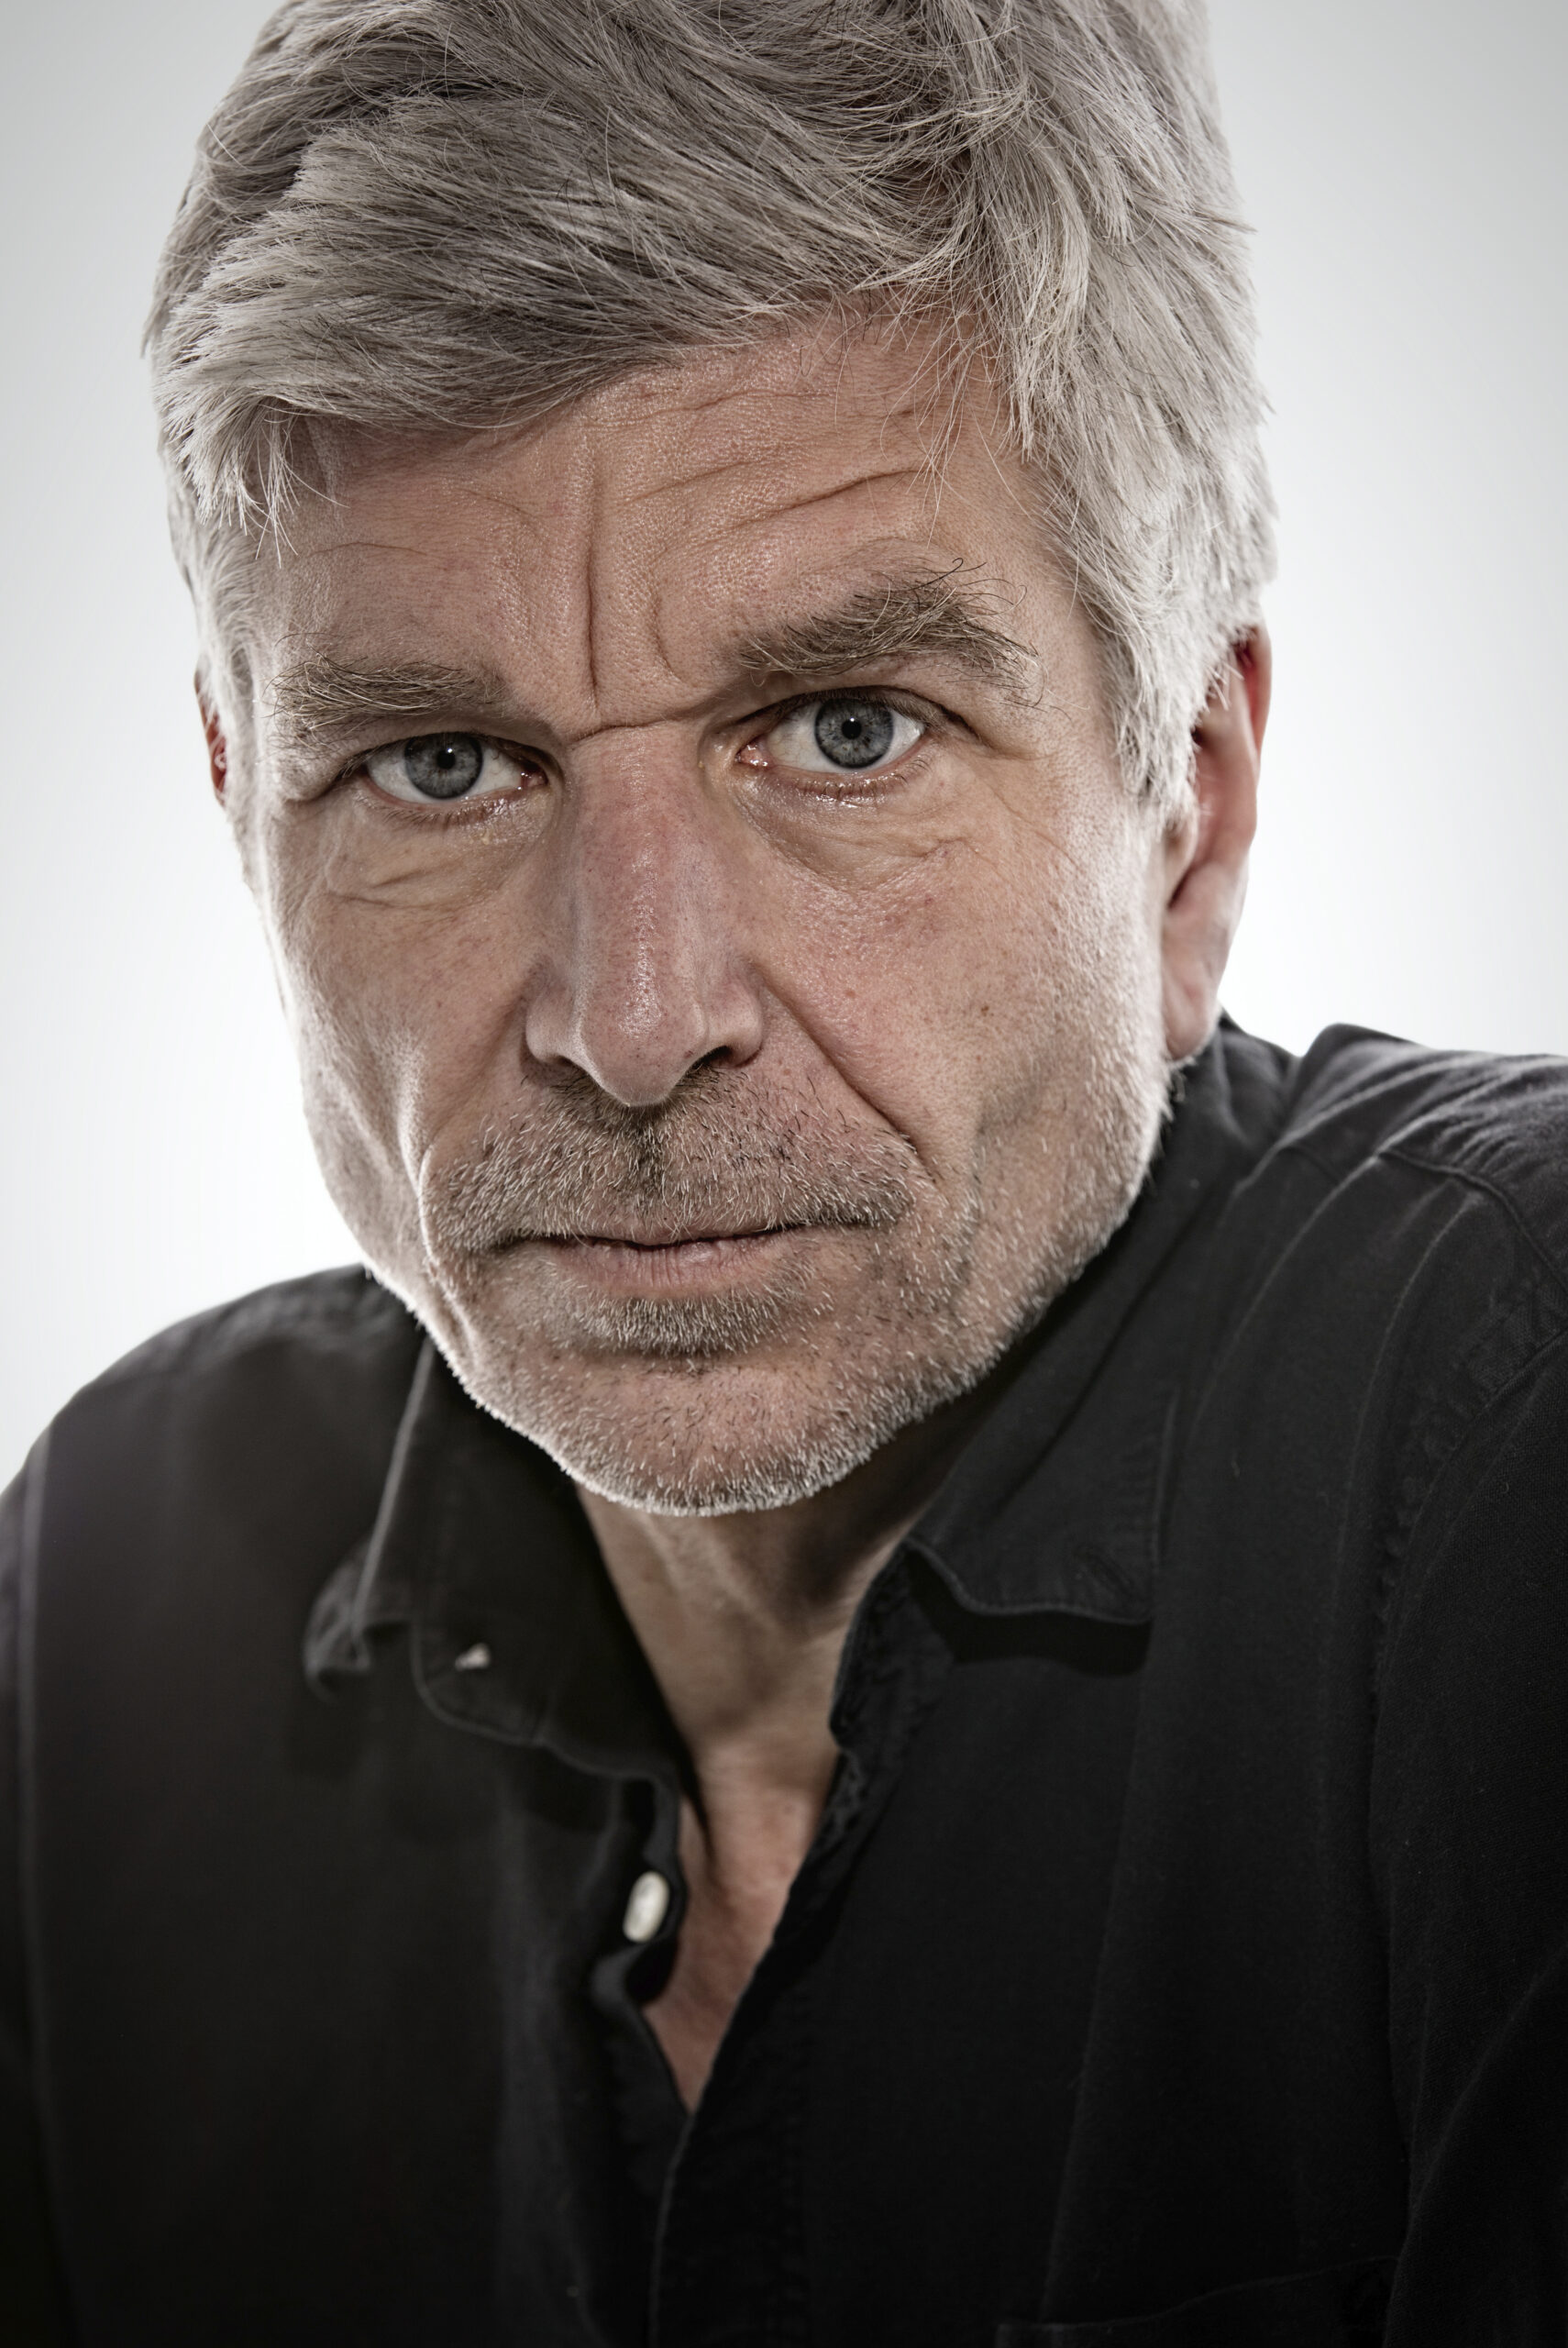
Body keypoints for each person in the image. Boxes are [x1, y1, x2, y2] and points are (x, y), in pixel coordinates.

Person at [2, 0, 1563, 2338]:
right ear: (242, 806)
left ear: (1189, 805)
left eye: (846, 731)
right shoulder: (122, 1580)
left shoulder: (1514, 1444)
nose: (636, 1022)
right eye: (443, 765)